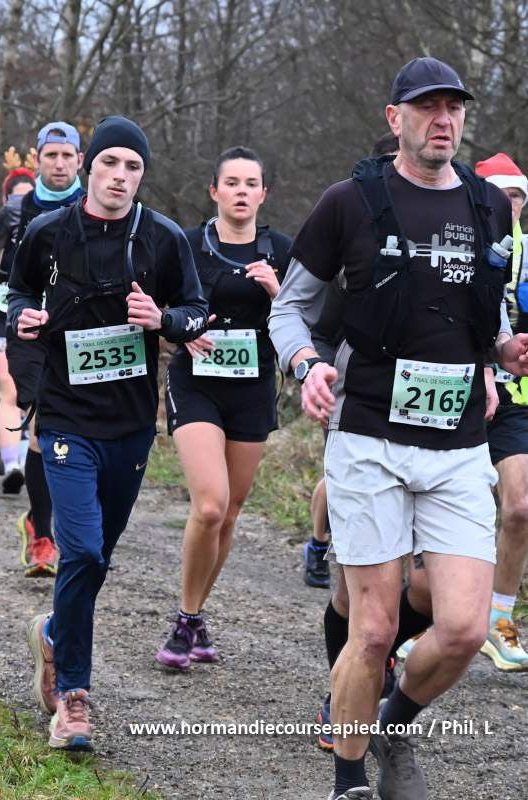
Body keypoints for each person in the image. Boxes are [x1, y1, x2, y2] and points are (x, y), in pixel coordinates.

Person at [269, 57, 528, 800]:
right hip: (369, 436)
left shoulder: (490, 205)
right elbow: (289, 308)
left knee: (465, 630)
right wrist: (306, 363)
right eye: (426, 107)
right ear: (395, 119)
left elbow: (488, 307)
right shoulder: (348, 202)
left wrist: (503, 348)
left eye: (454, 108)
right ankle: (348, 781)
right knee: (375, 628)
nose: (443, 120)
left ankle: (390, 723)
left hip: (459, 440)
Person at [7, 115, 208, 750]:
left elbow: (196, 311)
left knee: (97, 558)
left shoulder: (163, 237)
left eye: (133, 167)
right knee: (84, 553)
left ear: (142, 175)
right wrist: (23, 319)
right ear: (88, 167)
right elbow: (14, 293)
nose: (120, 176)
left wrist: (163, 318)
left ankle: (53, 634)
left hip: (130, 424)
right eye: (110, 163)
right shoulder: (47, 232)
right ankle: (74, 698)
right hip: (66, 417)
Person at [156, 146, 291, 670]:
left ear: (263, 194)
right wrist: (179, 329)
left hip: (253, 386)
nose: (241, 191)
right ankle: (185, 618)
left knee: (230, 512)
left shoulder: (282, 250)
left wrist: (278, 292)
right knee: (210, 505)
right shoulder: (186, 245)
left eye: (250, 183)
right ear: (214, 191)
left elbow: (308, 319)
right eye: (231, 182)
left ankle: (194, 615)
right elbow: (154, 305)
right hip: (197, 384)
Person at [304, 132, 401, 592]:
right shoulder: (351, 231)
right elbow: (314, 323)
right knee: (338, 479)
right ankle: (321, 544)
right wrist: (319, 371)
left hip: (413, 395)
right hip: (350, 387)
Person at [5, 122, 85, 577]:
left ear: (79, 161)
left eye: (67, 155)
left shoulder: (94, 206)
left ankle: (70, 527)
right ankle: (42, 534)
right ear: (36, 160)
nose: (59, 163)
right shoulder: (17, 210)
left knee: (79, 430)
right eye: (51, 155)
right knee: (41, 428)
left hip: (82, 335)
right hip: (29, 333)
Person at [475, 153, 528, 671]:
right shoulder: (457, 242)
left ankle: (499, 620)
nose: (508, 205)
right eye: (500, 195)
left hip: (515, 402)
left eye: (516, 197)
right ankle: (421, 617)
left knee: (519, 509)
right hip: (460, 394)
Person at [0, 166, 36, 493]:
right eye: (15, 200)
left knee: (36, 395)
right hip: (1, 317)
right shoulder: (2, 227)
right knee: (10, 389)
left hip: (38, 317)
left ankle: (30, 467)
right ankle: (12, 467)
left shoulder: (51, 224)